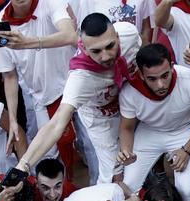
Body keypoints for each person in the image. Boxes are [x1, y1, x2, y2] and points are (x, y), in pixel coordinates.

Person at [14, 13, 140, 187]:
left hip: (132, 105)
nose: (105, 56)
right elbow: (56, 125)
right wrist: (23, 165)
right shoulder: (80, 78)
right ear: (84, 48)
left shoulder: (129, 34)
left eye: (109, 46)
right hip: (101, 117)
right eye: (96, 51)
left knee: (139, 159)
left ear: (117, 37)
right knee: (113, 176)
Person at [118, 43, 190, 201]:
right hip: (150, 131)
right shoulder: (130, 91)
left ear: (172, 66)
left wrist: (186, 150)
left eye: (165, 75)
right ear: (141, 74)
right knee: (127, 186)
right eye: (152, 79)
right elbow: (127, 127)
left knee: (186, 189)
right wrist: (127, 151)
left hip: (185, 129)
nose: (160, 85)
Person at [0, 0, 79, 172]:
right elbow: (9, 75)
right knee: (50, 154)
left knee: (90, 144)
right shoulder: (0, 25)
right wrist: (13, 120)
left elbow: (70, 35)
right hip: (42, 97)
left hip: (75, 82)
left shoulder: (50, 2)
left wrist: (27, 42)